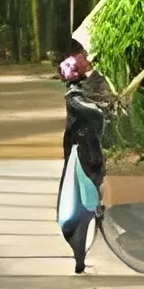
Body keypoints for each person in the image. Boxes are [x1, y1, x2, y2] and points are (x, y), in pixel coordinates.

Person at [58, 46, 108, 273]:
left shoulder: (82, 93)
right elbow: (94, 113)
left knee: (86, 203)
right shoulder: (74, 97)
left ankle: (81, 253)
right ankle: (80, 252)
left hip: (89, 152)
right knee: (84, 202)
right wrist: (103, 109)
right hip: (84, 155)